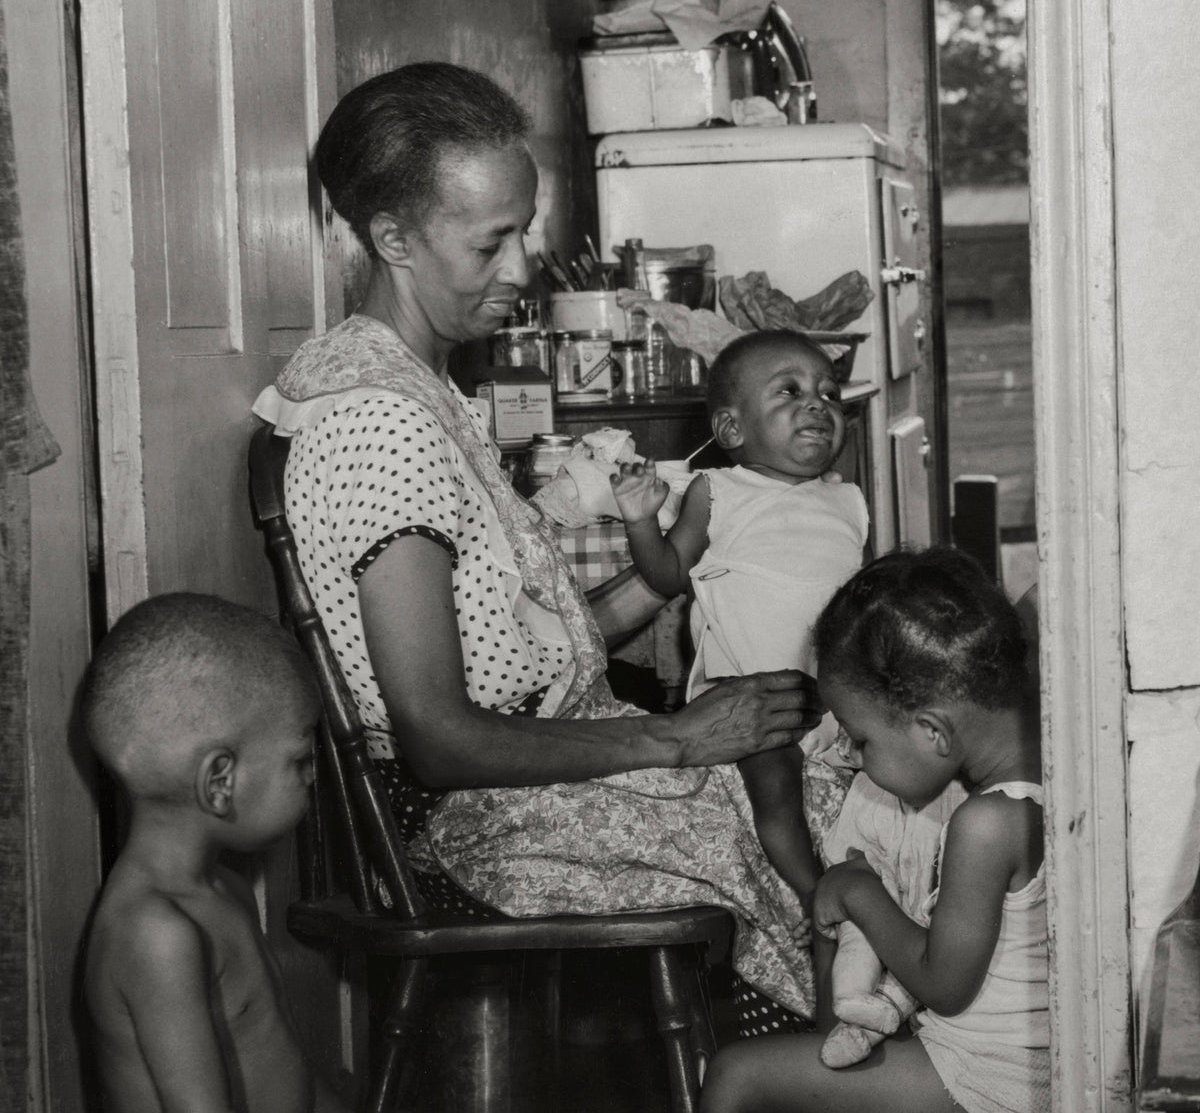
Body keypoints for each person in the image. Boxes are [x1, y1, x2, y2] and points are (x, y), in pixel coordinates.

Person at [250, 62, 823, 1025]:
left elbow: (506, 653)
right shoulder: (377, 424)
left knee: (813, 777)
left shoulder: (418, 385)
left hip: (531, 775)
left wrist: (667, 577)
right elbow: (439, 737)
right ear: (391, 238)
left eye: (525, 230)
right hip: (474, 826)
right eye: (491, 243)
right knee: (797, 848)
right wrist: (677, 736)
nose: (520, 269)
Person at [698, 546, 1047, 1113]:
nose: (853, 756)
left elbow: (945, 986)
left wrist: (861, 894)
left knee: (734, 1075)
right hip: (1002, 1062)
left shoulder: (985, 823)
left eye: (862, 740)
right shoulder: (1048, 770)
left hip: (989, 1079)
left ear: (933, 731)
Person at [610, 328, 870, 1020]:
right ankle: (818, 892)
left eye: (828, 394)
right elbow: (667, 574)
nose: (817, 406)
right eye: (790, 392)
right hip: (747, 698)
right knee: (776, 784)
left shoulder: (848, 501)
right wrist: (641, 520)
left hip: (836, 700)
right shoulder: (718, 491)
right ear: (731, 427)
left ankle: (873, 935)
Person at [82, 593, 348, 1113]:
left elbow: (279, 1063)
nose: (311, 776)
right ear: (219, 781)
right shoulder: (157, 935)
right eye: (299, 760)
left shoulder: (223, 888)